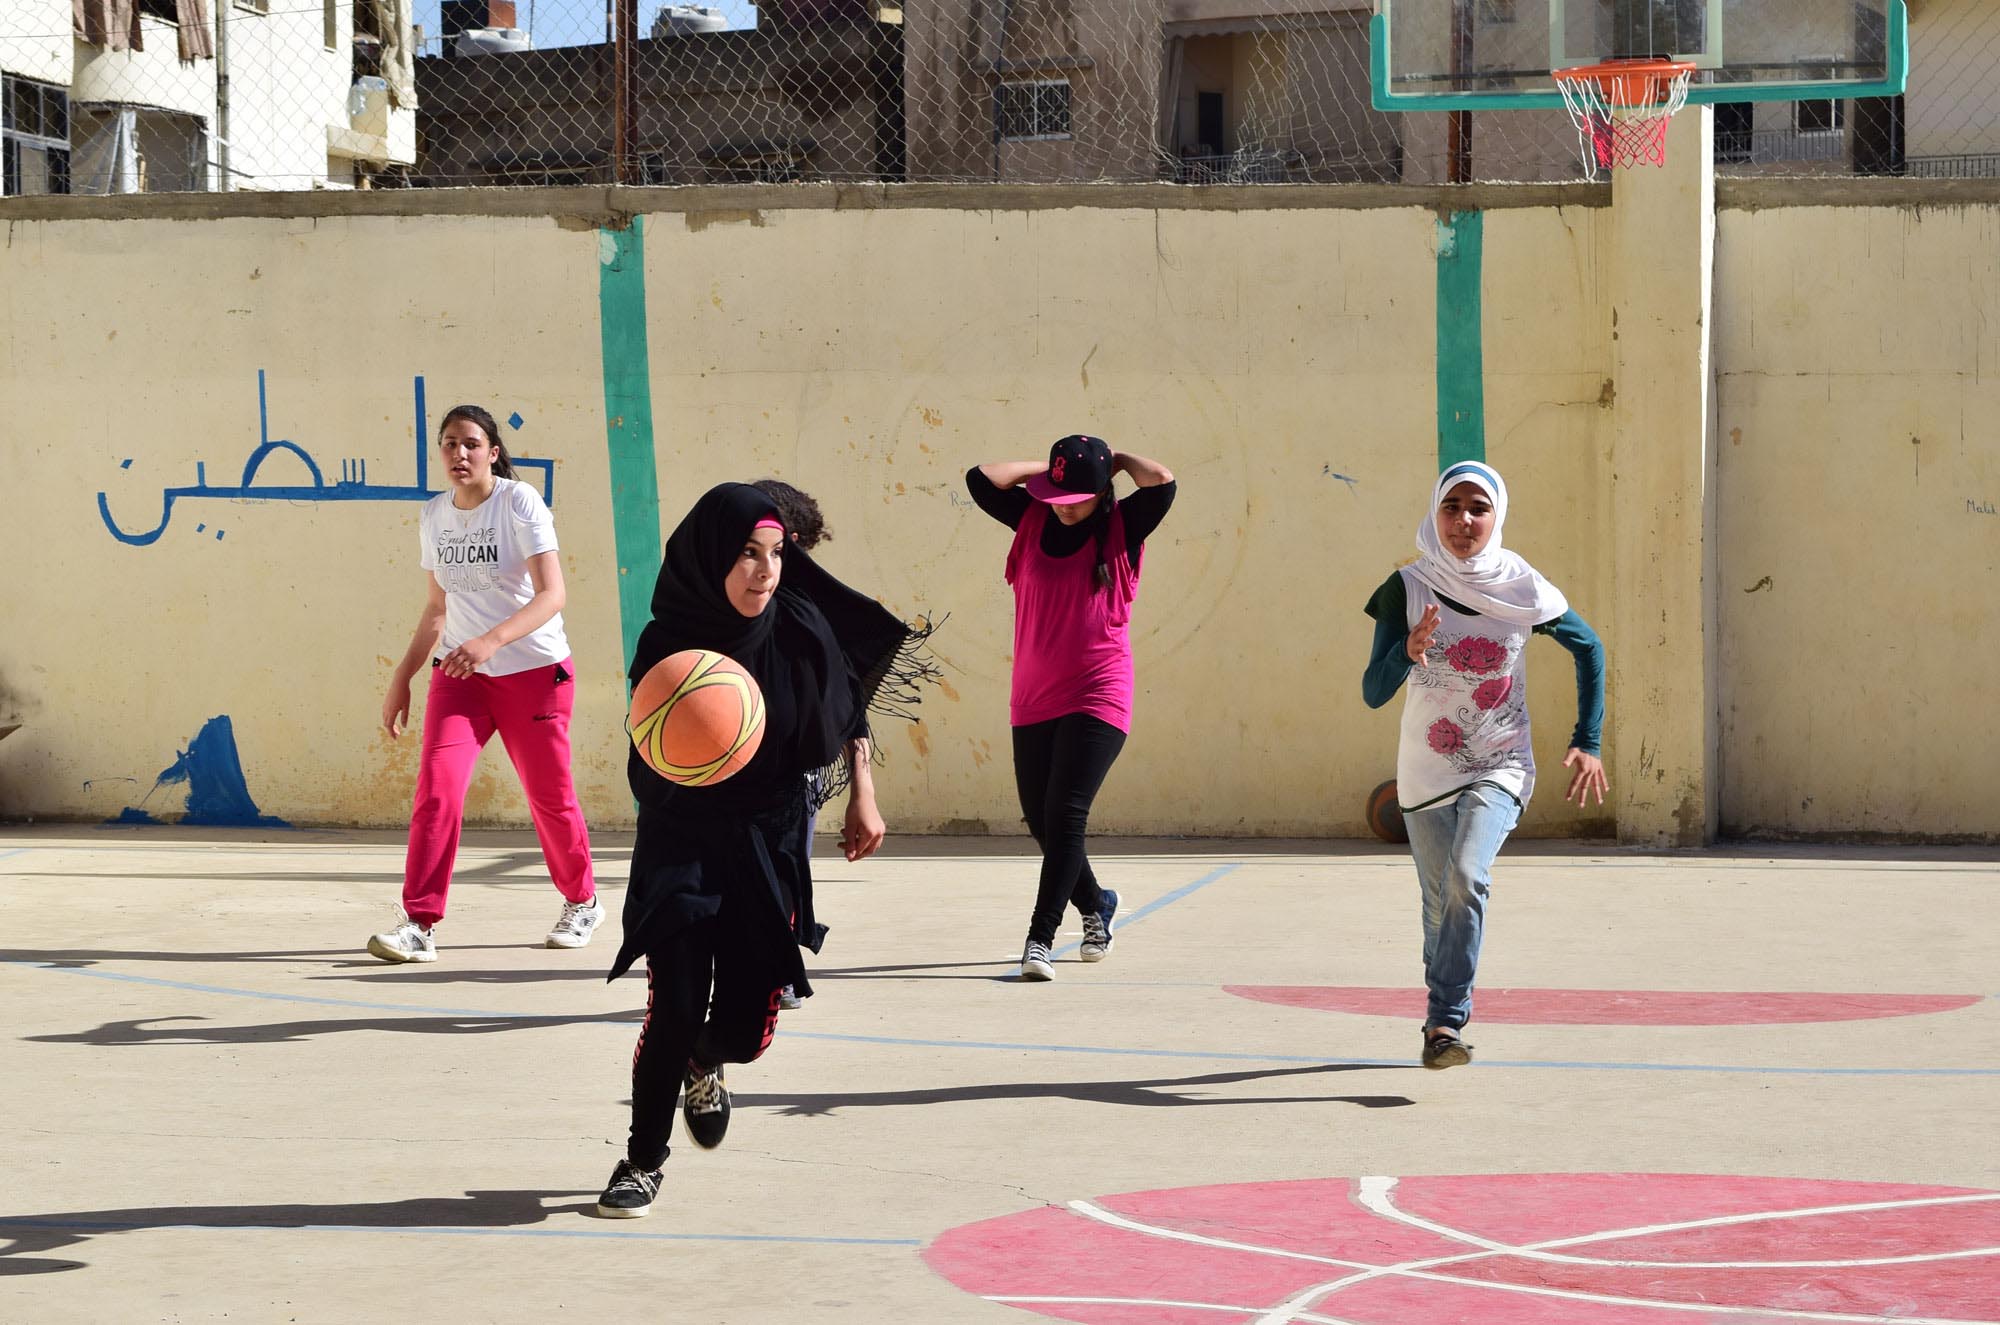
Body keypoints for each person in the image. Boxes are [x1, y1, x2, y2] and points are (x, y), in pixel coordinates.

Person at [596, 482, 931, 1218]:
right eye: (748, 553)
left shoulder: (800, 627)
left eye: (776, 554)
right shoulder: (668, 639)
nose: (764, 570)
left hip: (766, 838)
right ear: (714, 555)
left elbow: (848, 702)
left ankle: (707, 1062)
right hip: (681, 832)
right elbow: (650, 745)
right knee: (676, 1003)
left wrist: (864, 793)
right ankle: (642, 1159)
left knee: (746, 1029)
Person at [1360, 460, 1608, 1068]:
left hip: (1501, 761)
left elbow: (1590, 647)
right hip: (1425, 770)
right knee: (1437, 908)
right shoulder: (1408, 587)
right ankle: (1439, 1017)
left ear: (1498, 516)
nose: (1464, 520)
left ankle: (1445, 1022)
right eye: (1452, 507)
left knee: (1467, 878)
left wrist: (1588, 740)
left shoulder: (1523, 588)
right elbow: (1372, 690)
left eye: (1478, 508)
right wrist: (1406, 651)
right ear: (1434, 513)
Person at [370, 404, 599, 963]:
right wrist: (402, 677)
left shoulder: (518, 502)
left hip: (535, 675)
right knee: (436, 793)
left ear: (493, 451)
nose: (460, 454)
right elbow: (435, 606)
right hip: (460, 677)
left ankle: (582, 901)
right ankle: (419, 923)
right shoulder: (433, 516)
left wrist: (491, 642)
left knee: (550, 799)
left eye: (471, 443)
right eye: (449, 444)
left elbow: (553, 595)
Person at [965, 436, 1176, 982]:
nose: (1066, 506)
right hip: (1033, 693)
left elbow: (1164, 482)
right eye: (1057, 495)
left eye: (1079, 496)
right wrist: (1051, 472)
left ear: (1103, 490)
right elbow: (981, 478)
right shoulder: (1033, 518)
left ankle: (1039, 938)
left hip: (1098, 689)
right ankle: (1097, 903)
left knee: (1064, 816)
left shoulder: (1123, 525)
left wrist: (1117, 460)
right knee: (1041, 820)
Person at [750, 478, 849, 1012]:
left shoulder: (810, 612)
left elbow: (848, 703)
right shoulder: (723, 600)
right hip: (734, 764)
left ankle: (782, 968)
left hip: (795, 772)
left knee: (786, 869)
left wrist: (865, 792)